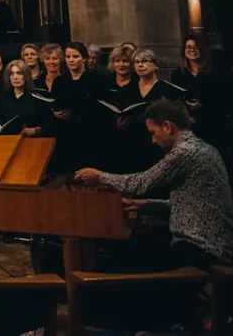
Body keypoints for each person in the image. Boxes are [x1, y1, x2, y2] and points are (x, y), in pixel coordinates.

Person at [75, 100, 233, 270]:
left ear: (167, 127)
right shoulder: (204, 148)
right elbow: (190, 205)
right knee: (132, 247)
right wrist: (142, 205)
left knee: (120, 259)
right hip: (209, 245)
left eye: (153, 132)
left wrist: (100, 176)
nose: (152, 140)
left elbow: (141, 183)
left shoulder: (185, 152)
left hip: (201, 249)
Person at [0, 61, 46, 137]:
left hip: (32, 142)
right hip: (7, 142)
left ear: (26, 76)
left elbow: (47, 125)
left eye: (19, 73)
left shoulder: (36, 97)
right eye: (12, 74)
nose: (15, 77)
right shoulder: (2, 98)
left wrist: (34, 130)